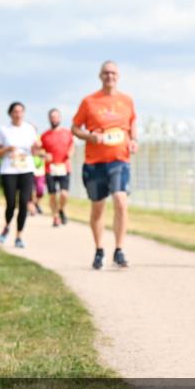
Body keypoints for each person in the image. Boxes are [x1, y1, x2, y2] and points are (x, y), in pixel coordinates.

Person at [71, 61, 138, 269]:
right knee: (98, 207)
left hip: (120, 160)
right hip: (94, 162)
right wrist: (89, 136)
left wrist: (134, 139)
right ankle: (99, 249)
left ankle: (119, 250)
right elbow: (74, 128)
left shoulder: (127, 100)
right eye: (106, 73)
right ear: (100, 76)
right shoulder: (89, 101)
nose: (110, 76)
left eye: (113, 73)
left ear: (118, 76)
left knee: (120, 200)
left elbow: (133, 122)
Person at [0, 102, 40, 248]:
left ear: (24, 113)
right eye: (15, 112)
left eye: (21, 111)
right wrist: (7, 149)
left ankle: (19, 236)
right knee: (11, 204)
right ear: (10, 114)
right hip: (9, 170)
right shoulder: (4, 130)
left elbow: (35, 152)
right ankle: (7, 226)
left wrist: (36, 148)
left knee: (24, 203)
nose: (18, 114)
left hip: (26, 170)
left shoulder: (29, 129)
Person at [40, 108, 75, 227]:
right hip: (50, 168)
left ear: (60, 118)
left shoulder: (67, 133)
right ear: (49, 119)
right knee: (52, 194)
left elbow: (72, 146)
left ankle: (61, 210)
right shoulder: (44, 135)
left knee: (64, 194)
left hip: (64, 167)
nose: (54, 119)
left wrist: (70, 153)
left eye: (56, 117)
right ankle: (55, 217)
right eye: (52, 117)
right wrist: (44, 154)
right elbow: (39, 150)